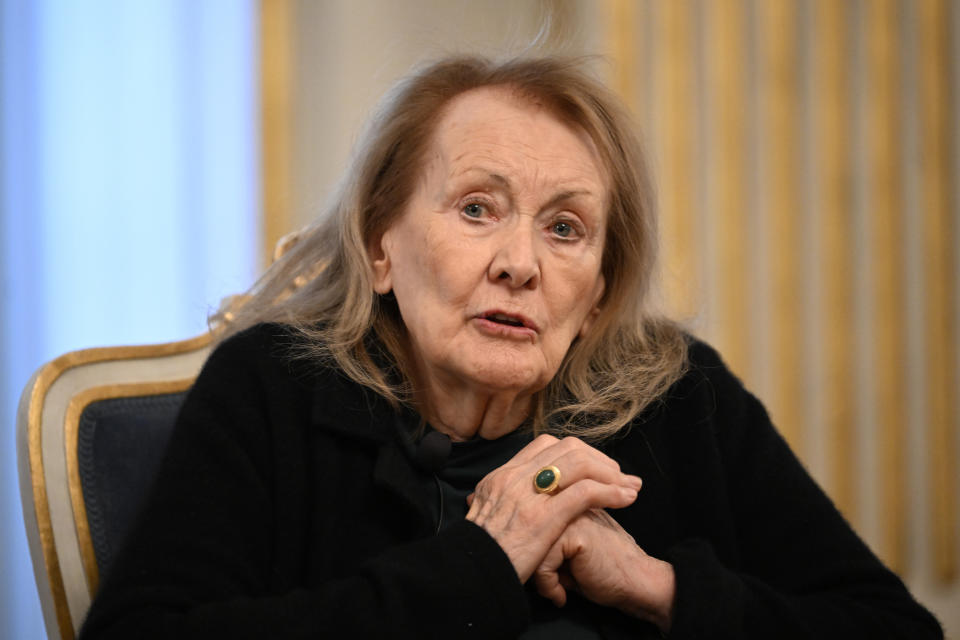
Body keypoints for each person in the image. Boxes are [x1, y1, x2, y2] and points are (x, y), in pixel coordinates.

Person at [80, 56, 942, 639]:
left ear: (600, 289)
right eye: (477, 208)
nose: (520, 265)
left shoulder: (679, 398)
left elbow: (890, 627)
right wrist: (479, 565)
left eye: (566, 229)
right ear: (381, 245)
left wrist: (658, 586)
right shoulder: (273, 388)